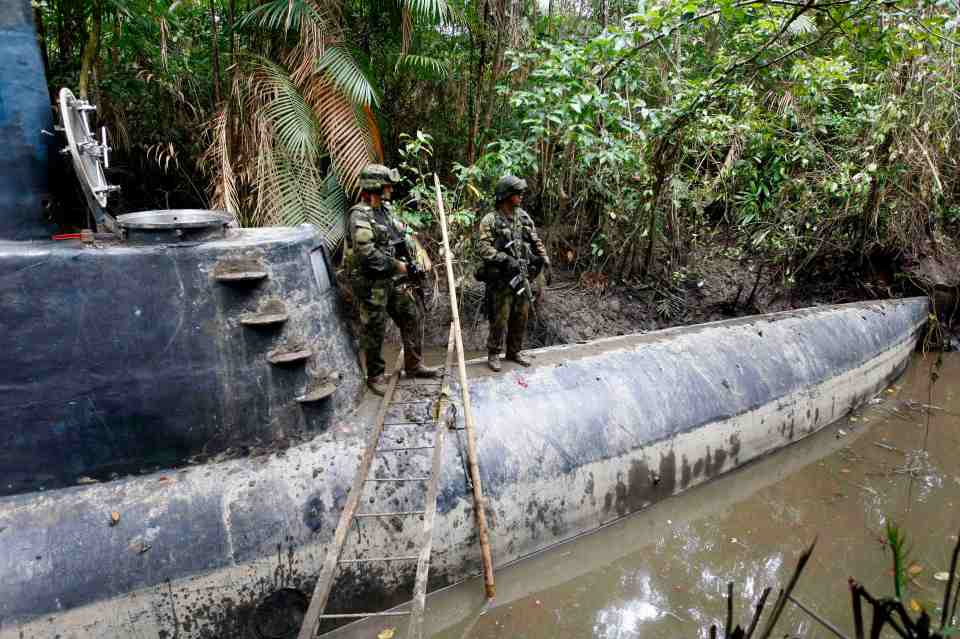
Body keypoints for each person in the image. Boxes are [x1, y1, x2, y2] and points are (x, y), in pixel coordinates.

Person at [345, 163, 443, 395]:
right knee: (375, 328)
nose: (390, 189)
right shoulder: (359, 215)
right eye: (387, 185)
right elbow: (367, 254)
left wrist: (418, 253)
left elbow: (403, 233)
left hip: (391, 279)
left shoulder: (385, 210)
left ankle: (413, 365)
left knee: (411, 314)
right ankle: (375, 376)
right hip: (371, 283)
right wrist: (400, 266)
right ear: (375, 186)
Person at [477, 175, 550, 372]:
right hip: (501, 279)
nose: (521, 196)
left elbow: (535, 240)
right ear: (506, 195)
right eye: (517, 193)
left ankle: (514, 351)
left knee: (521, 315)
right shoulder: (490, 220)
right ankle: (494, 353)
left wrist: (544, 259)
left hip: (522, 276)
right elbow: (483, 248)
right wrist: (504, 258)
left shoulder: (523, 217)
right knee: (500, 317)